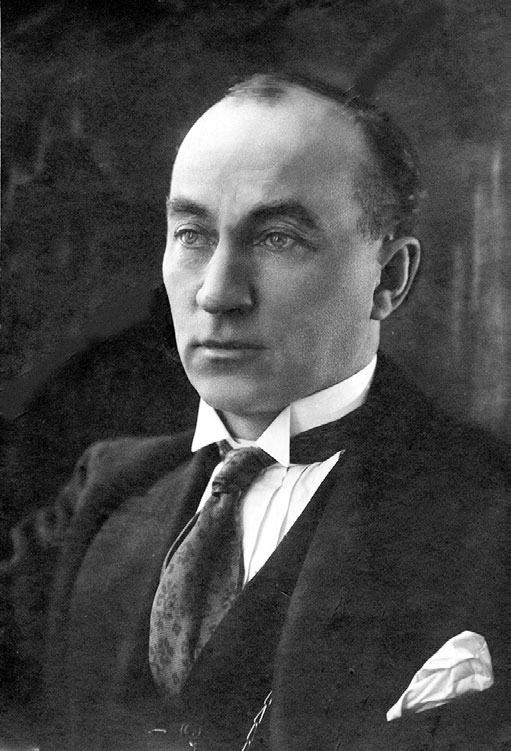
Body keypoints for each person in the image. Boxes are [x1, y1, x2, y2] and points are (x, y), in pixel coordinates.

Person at [1, 73, 509, 751]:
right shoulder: (105, 490)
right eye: (192, 233)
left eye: (277, 239)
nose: (217, 293)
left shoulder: (490, 515)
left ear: (387, 278)